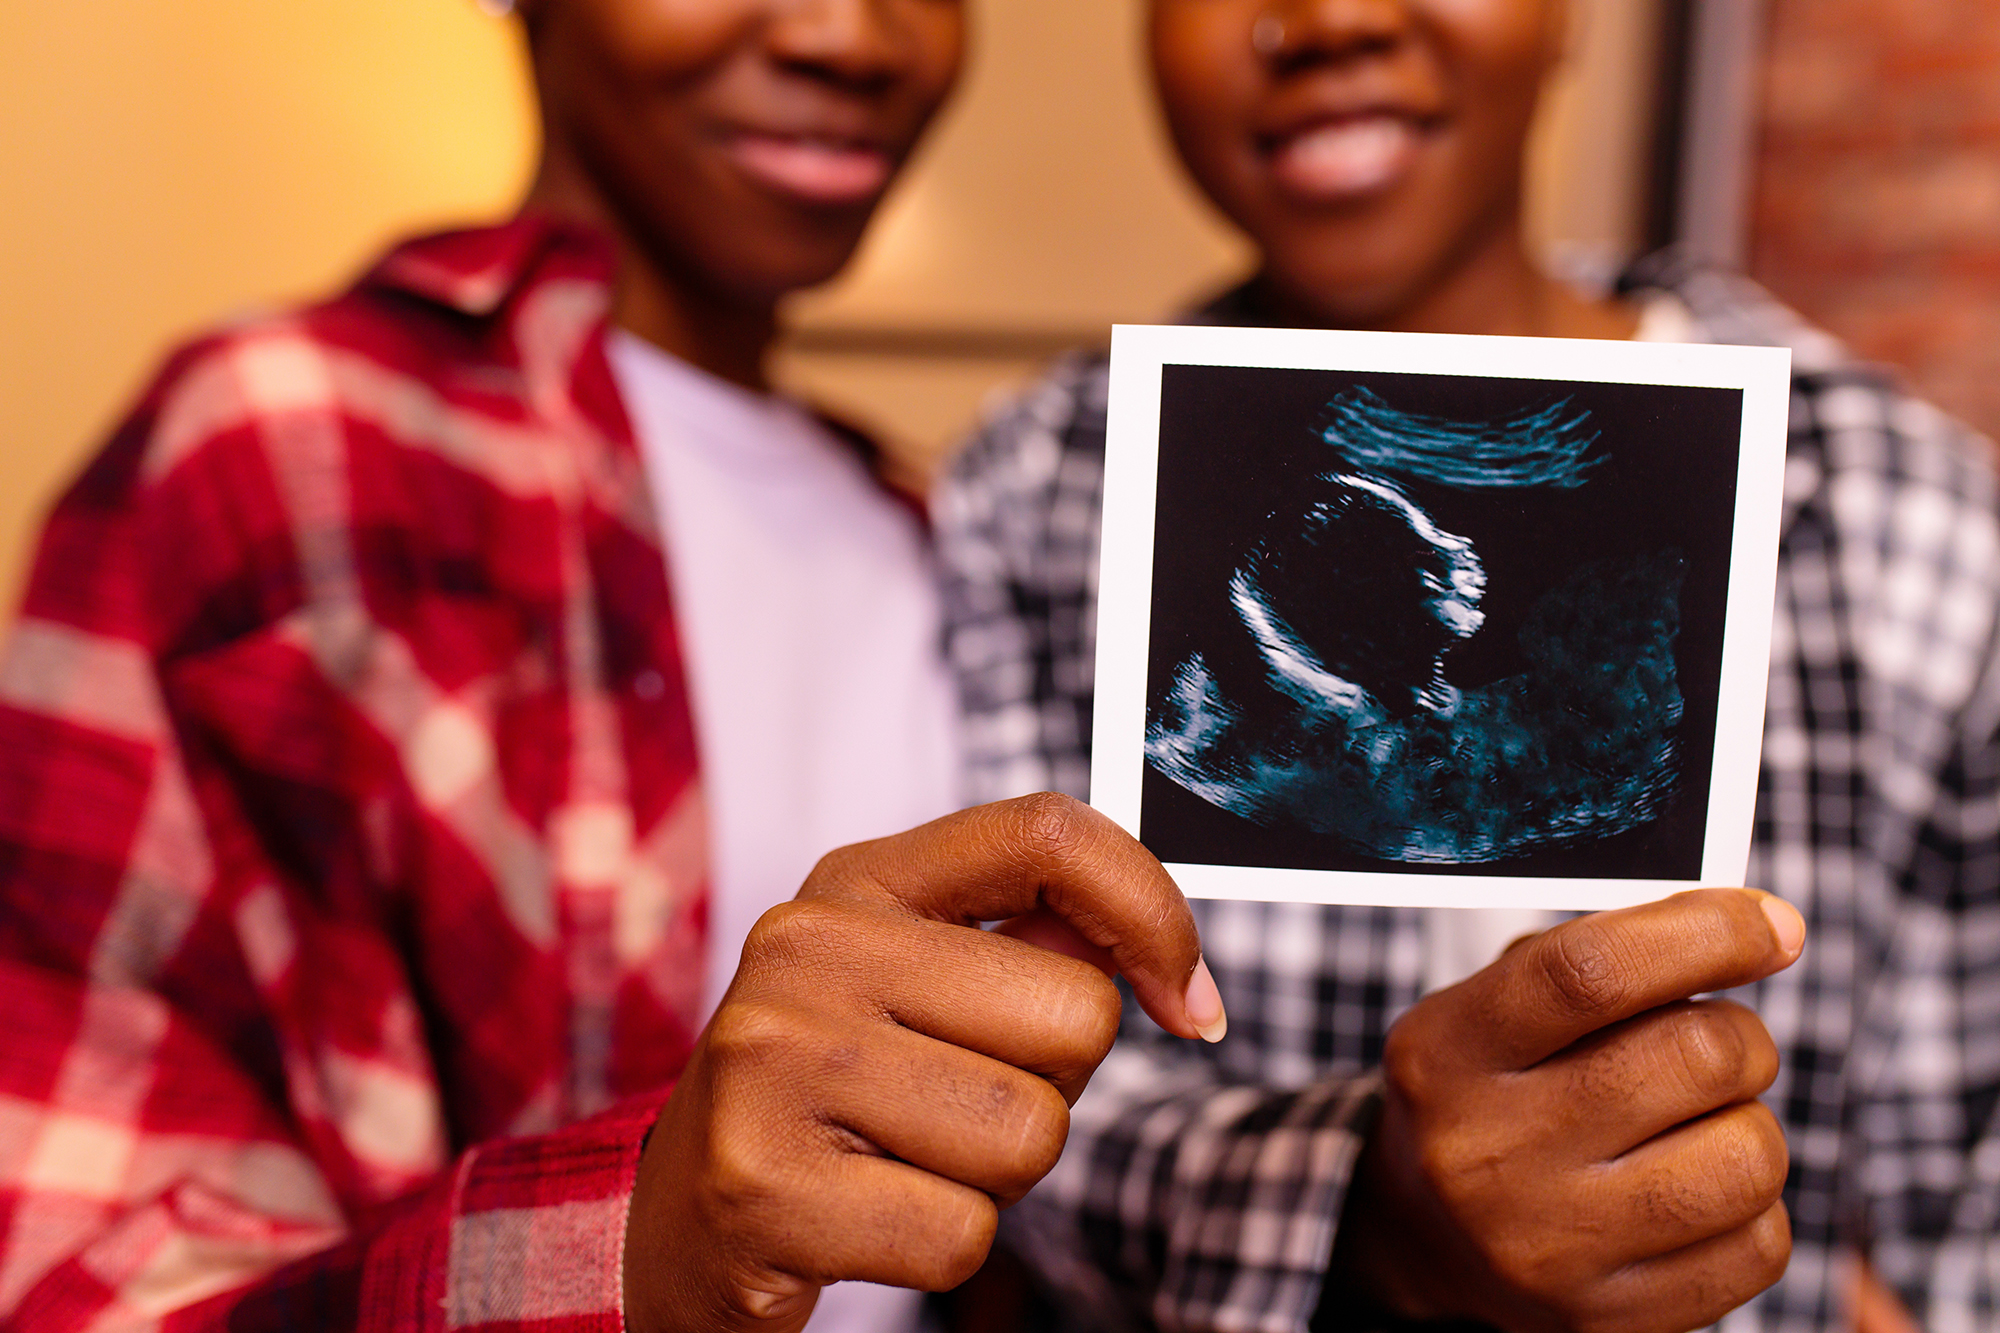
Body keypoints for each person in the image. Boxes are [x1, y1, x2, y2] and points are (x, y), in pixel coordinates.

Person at [0, 1, 1244, 1330]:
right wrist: (639, 1248)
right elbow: (68, 1274)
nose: (852, 36)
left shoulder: (936, 528)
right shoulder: (283, 450)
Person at [937, 0, 2000, 1330]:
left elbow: (1961, 1197)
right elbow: (1005, 1087)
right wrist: (1355, 1209)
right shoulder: (1035, 493)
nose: (1331, 16)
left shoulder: (1911, 518)